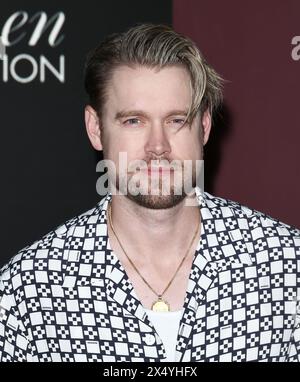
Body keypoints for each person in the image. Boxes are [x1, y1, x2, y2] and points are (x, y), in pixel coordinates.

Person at [0, 23, 299, 363]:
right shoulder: (29, 289)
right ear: (95, 129)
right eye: (134, 121)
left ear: (203, 127)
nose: (158, 146)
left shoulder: (284, 264)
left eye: (176, 120)